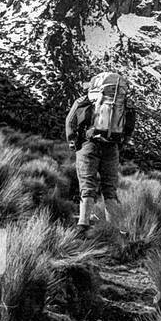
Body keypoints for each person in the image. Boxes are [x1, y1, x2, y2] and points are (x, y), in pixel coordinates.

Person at [65, 71, 137, 228]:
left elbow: (70, 121)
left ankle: (83, 223)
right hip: (112, 147)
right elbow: (130, 126)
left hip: (88, 144)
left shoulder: (86, 100)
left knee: (87, 184)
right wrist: (120, 144)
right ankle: (114, 228)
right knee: (110, 189)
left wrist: (74, 143)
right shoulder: (124, 104)